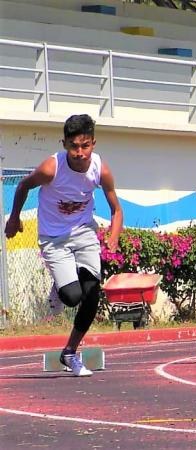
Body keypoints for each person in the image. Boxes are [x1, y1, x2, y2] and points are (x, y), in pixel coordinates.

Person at [4, 114, 123, 376]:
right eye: (73, 146)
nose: (80, 153)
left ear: (93, 143)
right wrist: (14, 219)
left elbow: (116, 209)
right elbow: (23, 186)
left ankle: (69, 352)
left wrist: (114, 235)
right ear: (64, 144)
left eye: (85, 146)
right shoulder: (52, 167)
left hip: (84, 233)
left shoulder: (100, 169)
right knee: (72, 297)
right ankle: (60, 288)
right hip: (53, 238)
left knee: (92, 294)